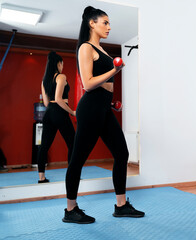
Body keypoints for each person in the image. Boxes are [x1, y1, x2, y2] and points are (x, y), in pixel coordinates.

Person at [63, 6, 144, 224]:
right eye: (105, 22)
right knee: (77, 160)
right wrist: (115, 71)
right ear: (92, 23)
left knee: (122, 153)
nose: (108, 27)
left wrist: (112, 103)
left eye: (109, 23)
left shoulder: (104, 50)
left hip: (103, 108)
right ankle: (70, 210)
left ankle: (121, 205)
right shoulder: (85, 48)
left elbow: (103, 86)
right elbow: (88, 84)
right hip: (89, 109)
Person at [37, 52, 76, 183]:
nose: (62, 66)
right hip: (60, 112)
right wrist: (72, 112)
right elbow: (59, 99)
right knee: (73, 143)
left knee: (44, 146)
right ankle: (72, 175)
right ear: (58, 63)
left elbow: (47, 103)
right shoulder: (61, 77)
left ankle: (41, 177)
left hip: (49, 113)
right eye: (62, 63)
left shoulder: (44, 81)